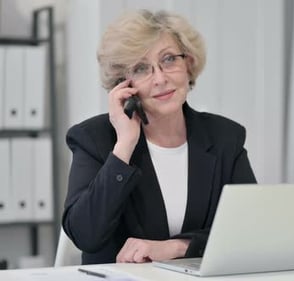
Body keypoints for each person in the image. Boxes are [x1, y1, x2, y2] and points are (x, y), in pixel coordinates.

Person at [62, 9, 257, 265]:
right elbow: (85, 235)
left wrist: (177, 247)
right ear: (124, 84)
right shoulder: (94, 139)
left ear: (188, 64)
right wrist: (124, 146)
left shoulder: (225, 138)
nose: (160, 79)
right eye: (141, 69)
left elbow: (250, 231)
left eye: (168, 60)